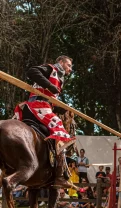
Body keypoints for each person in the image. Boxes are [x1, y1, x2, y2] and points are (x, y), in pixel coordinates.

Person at [14, 55, 77, 189]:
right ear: (61, 62)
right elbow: (32, 71)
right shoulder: (51, 69)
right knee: (62, 133)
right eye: (69, 65)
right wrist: (50, 86)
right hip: (38, 106)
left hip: (41, 106)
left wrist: (63, 107)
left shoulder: (60, 79)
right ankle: (60, 175)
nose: (70, 69)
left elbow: (51, 100)